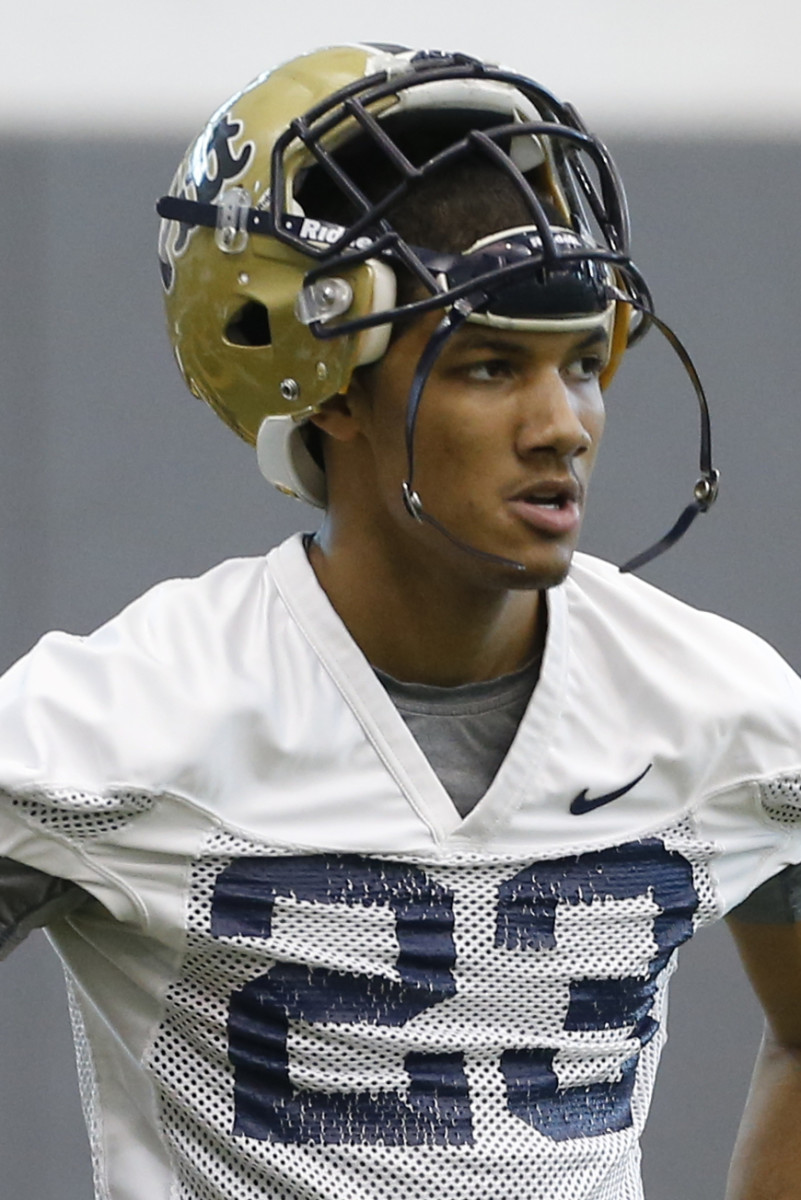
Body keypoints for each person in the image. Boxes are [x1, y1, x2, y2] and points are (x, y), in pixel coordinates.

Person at [1, 42, 800, 1200]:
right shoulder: (115, 723)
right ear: (324, 387)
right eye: (487, 366)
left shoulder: (715, 703)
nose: (563, 425)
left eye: (584, 361)